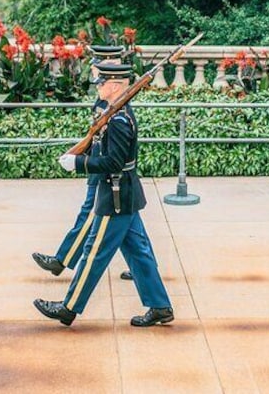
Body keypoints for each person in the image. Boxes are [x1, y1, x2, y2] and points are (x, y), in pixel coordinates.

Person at [34, 62, 174, 327]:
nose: (98, 86)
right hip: (125, 195)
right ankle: (160, 306)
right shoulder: (113, 113)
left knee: (93, 253)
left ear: (115, 86)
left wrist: (79, 163)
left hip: (116, 196)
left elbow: (114, 163)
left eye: (102, 83)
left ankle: (69, 308)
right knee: (139, 254)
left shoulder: (119, 120)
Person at [31, 46, 133, 281]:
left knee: (91, 214)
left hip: (103, 167)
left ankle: (62, 260)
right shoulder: (105, 98)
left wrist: (82, 162)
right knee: (131, 233)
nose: (96, 74)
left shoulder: (116, 102)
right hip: (97, 161)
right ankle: (141, 269)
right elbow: (95, 132)